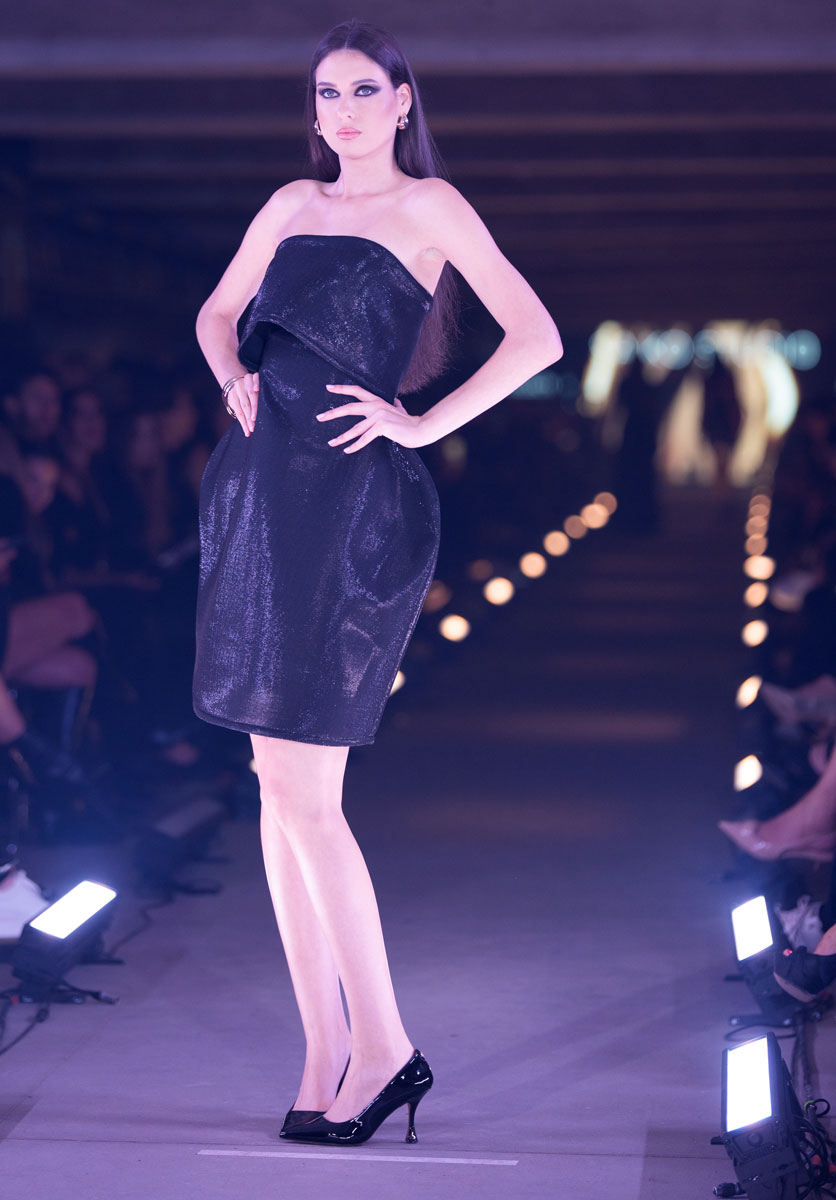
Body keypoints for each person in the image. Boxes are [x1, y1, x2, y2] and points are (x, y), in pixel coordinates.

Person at [192, 20, 562, 1147]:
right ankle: (322, 1051)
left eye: (363, 90)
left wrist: (421, 423)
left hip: (349, 506)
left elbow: (538, 338)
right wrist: (231, 371)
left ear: (402, 102)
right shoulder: (290, 204)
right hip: (257, 495)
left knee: (309, 796)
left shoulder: (431, 207)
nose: (343, 111)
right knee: (274, 787)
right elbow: (217, 312)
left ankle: (388, 1046)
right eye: (326, 94)